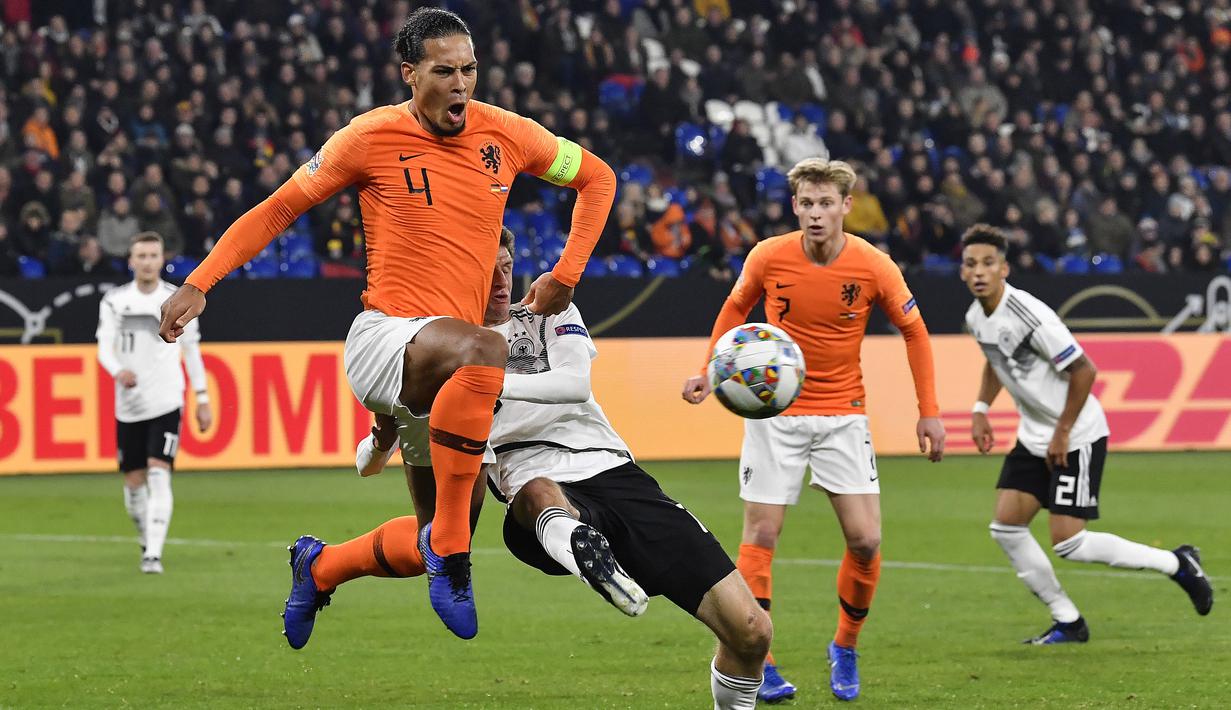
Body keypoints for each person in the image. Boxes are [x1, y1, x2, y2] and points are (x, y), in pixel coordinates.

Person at [157, 7, 615, 640]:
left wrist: (567, 272)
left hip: (455, 377)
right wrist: (199, 281)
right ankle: (453, 555)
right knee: (486, 347)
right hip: (386, 340)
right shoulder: (367, 137)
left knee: (430, 534)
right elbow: (278, 208)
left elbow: (597, 178)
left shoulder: (507, 136)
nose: (462, 84)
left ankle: (320, 567)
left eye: (470, 70)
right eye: (445, 71)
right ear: (410, 74)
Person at [292, 232, 771, 710]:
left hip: (615, 473)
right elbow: (378, 450)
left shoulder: (545, 307)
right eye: (488, 271)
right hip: (525, 477)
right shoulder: (436, 344)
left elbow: (575, 384)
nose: (502, 282)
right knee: (504, 507)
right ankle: (583, 554)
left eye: (507, 266)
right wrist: (379, 441)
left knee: (751, 633)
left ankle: (323, 564)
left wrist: (481, 385)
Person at [681, 158, 946, 703]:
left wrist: (930, 410)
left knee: (866, 540)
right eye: (807, 203)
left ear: (847, 206)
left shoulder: (873, 265)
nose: (816, 214)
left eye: (826, 203)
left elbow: (915, 333)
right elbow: (735, 308)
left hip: (843, 413)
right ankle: (762, 660)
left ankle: (844, 645)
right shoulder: (769, 255)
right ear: (794, 206)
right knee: (762, 536)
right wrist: (710, 368)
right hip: (775, 413)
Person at [958, 224, 1212, 643]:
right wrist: (981, 409)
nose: (980, 271)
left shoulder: (1029, 314)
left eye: (988, 263)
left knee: (1068, 542)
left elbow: (1084, 369)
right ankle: (1068, 621)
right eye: (971, 264)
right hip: (1036, 434)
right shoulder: (975, 317)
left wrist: (1062, 432)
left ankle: (1178, 564)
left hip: (1077, 435)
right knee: (1005, 528)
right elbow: (996, 360)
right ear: (963, 272)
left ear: (1004, 268)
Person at [96, 232, 212, 574]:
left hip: (166, 399)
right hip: (129, 404)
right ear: (131, 261)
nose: (147, 261)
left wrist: (202, 397)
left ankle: (153, 555)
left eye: (152, 255)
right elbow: (104, 346)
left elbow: (191, 352)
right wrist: (118, 371)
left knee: (159, 474)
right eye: (141, 256)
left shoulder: (178, 300)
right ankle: (147, 537)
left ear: (161, 259)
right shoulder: (115, 301)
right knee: (133, 483)